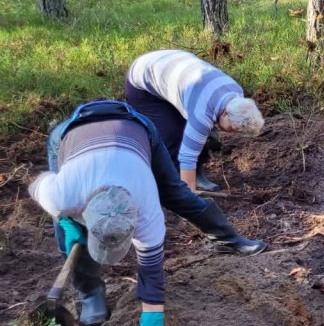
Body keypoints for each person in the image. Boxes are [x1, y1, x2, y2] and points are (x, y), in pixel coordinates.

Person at [30, 101, 267, 325]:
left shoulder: (147, 211)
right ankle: (91, 295)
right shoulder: (60, 195)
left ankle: (228, 239)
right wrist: (67, 220)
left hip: (134, 127)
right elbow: (38, 185)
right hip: (69, 132)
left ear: (135, 222)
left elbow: (151, 271)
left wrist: (153, 315)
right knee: (63, 232)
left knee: (176, 194)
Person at [125, 49, 264, 192]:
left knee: (198, 132)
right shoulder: (201, 113)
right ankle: (175, 186)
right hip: (143, 81)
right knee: (171, 134)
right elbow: (187, 157)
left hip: (173, 68)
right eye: (232, 128)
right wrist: (191, 202)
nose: (233, 133)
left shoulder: (237, 93)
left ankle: (197, 175)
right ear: (225, 112)